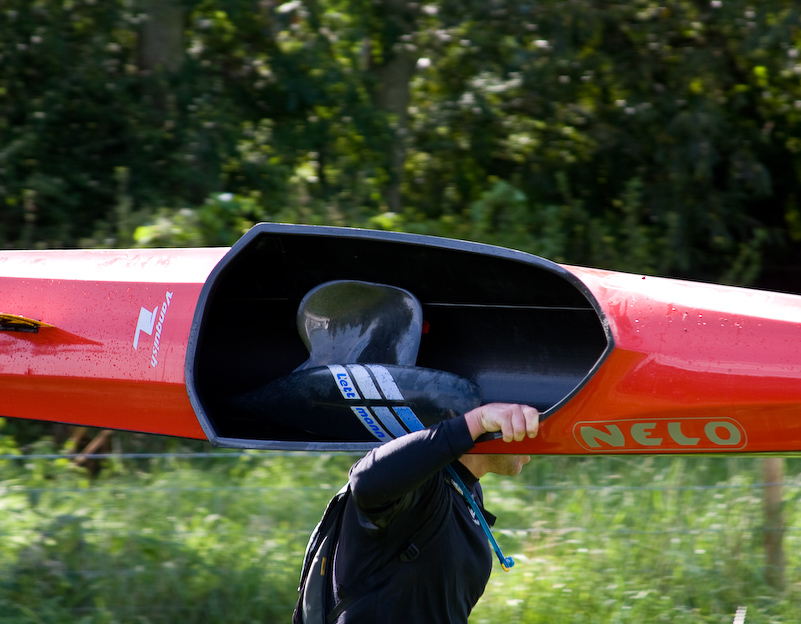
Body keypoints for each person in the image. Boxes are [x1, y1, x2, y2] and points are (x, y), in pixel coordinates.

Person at [329, 402, 540, 623]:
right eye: (521, 418)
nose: (530, 429)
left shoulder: (469, 490)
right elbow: (364, 482)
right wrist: (476, 421)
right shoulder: (421, 484)